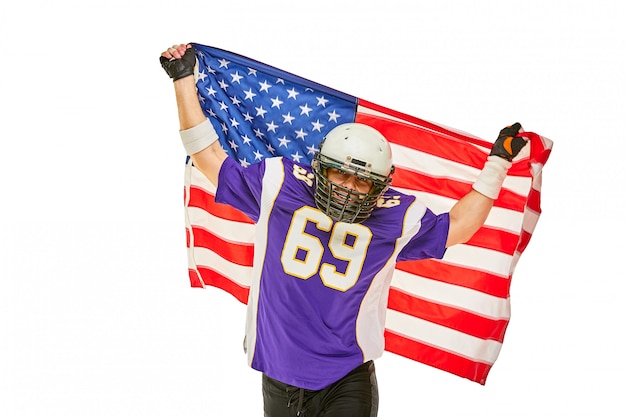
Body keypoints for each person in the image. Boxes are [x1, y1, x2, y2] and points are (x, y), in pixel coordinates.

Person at [160, 43, 528, 417]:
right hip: (276, 373)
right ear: (320, 166)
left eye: (362, 181)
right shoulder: (280, 184)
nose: (348, 187)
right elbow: (208, 157)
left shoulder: (395, 217)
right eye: (341, 173)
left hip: (345, 378)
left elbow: (460, 226)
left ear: (380, 187)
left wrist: (497, 163)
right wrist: (183, 79)